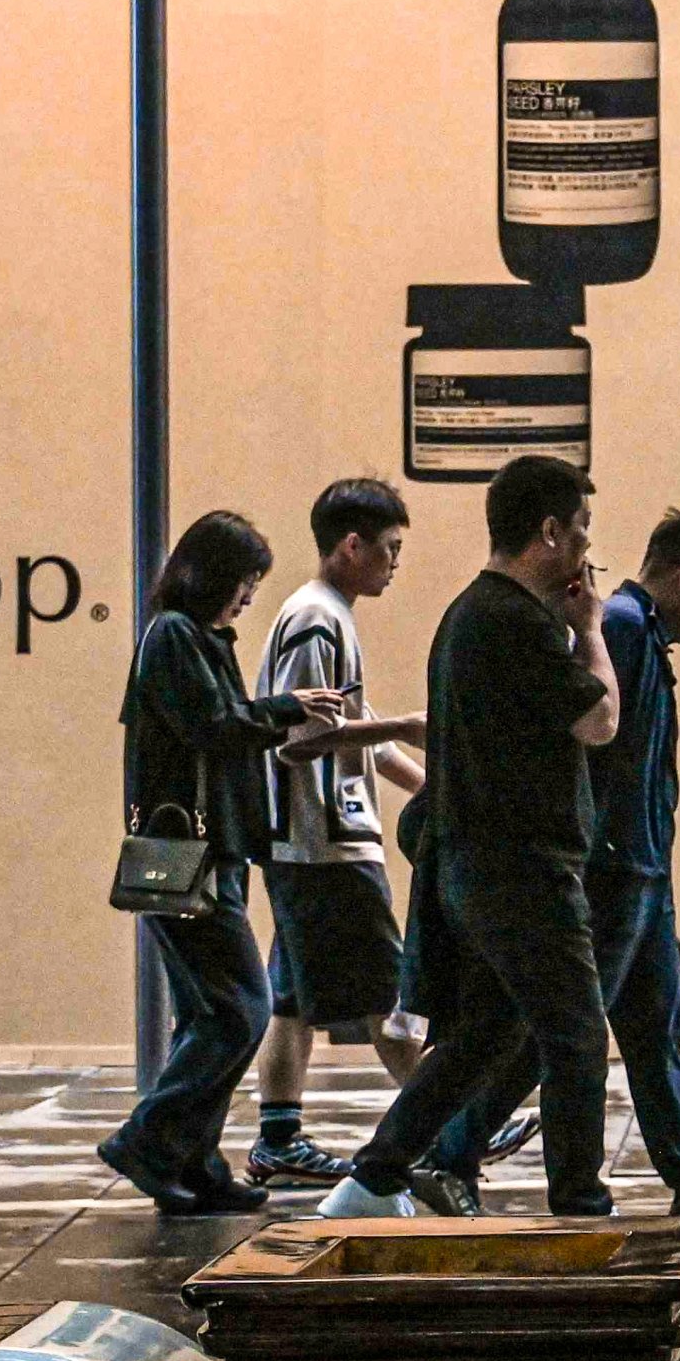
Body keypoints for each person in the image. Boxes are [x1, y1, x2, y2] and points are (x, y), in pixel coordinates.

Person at [430, 511, 680, 1222]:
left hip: (643, 867)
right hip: (618, 870)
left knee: (656, 1029)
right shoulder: (621, 626)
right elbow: (585, 741)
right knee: (565, 1032)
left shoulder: (640, 631)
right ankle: (450, 1150)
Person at [322, 454, 623, 1219]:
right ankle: (580, 1206)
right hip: (521, 869)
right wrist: (589, 629)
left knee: (485, 1034)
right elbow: (599, 720)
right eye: (582, 529)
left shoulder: (468, 614)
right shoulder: (515, 621)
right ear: (550, 531)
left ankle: (374, 1176)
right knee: (577, 1036)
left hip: (477, 866)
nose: (587, 549)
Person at [102, 511, 353, 1213]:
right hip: (194, 856)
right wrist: (285, 707)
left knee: (208, 1013)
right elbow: (212, 726)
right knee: (239, 1010)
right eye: (244, 581)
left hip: (214, 854)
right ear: (211, 573)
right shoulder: (176, 636)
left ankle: (196, 1167)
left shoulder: (196, 637)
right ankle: (147, 1139)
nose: (248, 596)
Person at [242, 477, 433, 1183]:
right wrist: (406, 726)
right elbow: (298, 739)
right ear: (350, 545)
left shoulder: (330, 618)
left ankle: (278, 1136)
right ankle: (442, 1122)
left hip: (316, 839)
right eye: (388, 548)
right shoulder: (316, 620)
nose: (394, 562)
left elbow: (354, 735)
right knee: (391, 989)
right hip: (321, 840)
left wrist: (427, 783)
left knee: (290, 1000)